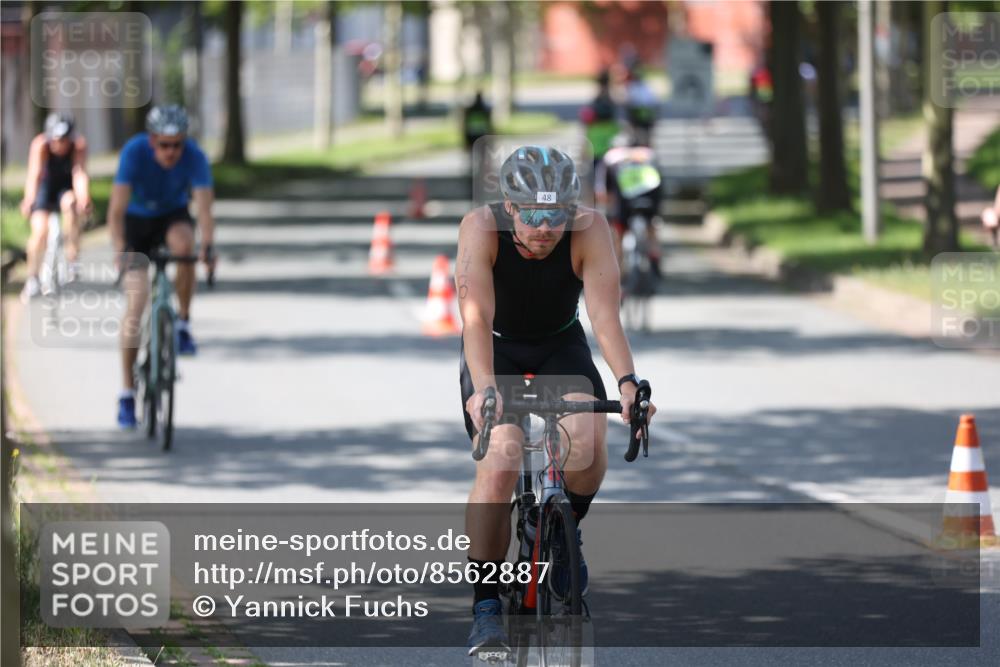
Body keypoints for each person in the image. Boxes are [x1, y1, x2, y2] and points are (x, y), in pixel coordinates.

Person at [456, 145, 657, 656]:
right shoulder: (480, 229)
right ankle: (485, 605)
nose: (546, 228)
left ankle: (564, 540)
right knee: (501, 457)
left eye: (558, 215)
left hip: (559, 344)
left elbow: (605, 317)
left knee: (587, 441)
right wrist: (484, 392)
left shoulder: (589, 229)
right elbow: (475, 319)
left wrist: (629, 384)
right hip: (496, 350)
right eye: (535, 216)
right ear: (509, 206)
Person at [108, 104, 215, 429]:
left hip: (172, 216)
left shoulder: (194, 156)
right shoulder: (134, 153)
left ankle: (182, 323)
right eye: (164, 145)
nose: (171, 152)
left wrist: (208, 247)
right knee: (136, 304)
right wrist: (120, 250)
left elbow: (205, 209)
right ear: (152, 141)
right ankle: (127, 393)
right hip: (136, 222)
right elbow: (115, 211)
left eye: (177, 145)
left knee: (185, 248)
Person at [19, 112, 91, 301]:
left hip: (65, 188)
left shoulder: (78, 145)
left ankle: (72, 260)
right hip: (45, 188)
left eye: (64, 139)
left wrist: (84, 198)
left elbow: (79, 173)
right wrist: (29, 199)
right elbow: (34, 175)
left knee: (71, 204)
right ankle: (32, 277)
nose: (60, 144)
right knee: (40, 232)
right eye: (57, 139)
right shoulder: (40, 145)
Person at [595, 135, 664, 278]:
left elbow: (602, 192)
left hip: (623, 203)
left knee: (618, 236)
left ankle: (617, 272)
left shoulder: (610, 158)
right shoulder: (648, 154)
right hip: (649, 199)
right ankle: (655, 255)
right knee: (652, 227)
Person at [579, 70, 619, 175]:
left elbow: (587, 121)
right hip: (608, 139)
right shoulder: (611, 100)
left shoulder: (596, 101)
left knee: (596, 173)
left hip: (596, 141)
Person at [622, 65, 658, 148]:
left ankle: (643, 145)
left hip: (640, 114)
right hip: (641, 114)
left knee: (642, 133)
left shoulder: (635, 87)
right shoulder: (643, 87)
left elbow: (630, 101)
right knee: (642, 134)